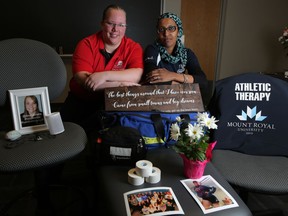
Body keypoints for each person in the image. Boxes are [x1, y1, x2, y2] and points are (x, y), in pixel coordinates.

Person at [60, 4, 144, 132]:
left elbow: (136, 74)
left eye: (121, 25)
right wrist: (121, 84)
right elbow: (84, 80)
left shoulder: (133, 47)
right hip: (81, 103)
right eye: (111, 23)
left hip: (114, 105)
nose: (116, 29)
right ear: (102, 24)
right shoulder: (86, 44)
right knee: (66, 140)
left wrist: (104, 75)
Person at [141, 12, 208, 93]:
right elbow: (151, 78)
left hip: (179, 101)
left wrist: (172, 75)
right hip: (157, 99)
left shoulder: (187, 53)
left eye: (171, 28)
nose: (166, 34)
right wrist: (182, 86)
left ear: (179, 31)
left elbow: (202, 82)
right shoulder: (152, 49)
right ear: (158, 33)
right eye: (161, 29)